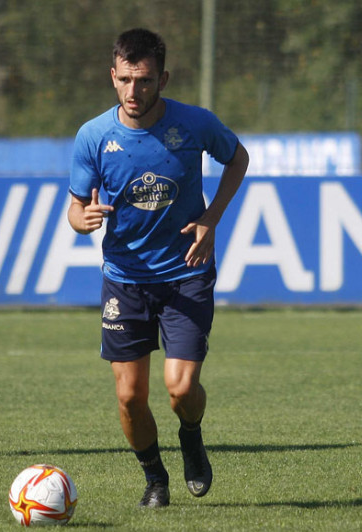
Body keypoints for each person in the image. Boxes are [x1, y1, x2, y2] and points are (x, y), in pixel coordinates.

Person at [67, 28, 248, 507]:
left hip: (186, 271)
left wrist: (211, 218)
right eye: (124, 79)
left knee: (181, 387)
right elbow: (74, 206)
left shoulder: (195, 124)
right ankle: (155, 478)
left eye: (144, 80)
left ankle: (191, 435)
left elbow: (238, 158)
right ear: (112, 76)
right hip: (125, 280)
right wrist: (80, 220)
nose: (133, 91)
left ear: (162, 78)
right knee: (129, 397)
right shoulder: (93, 136)